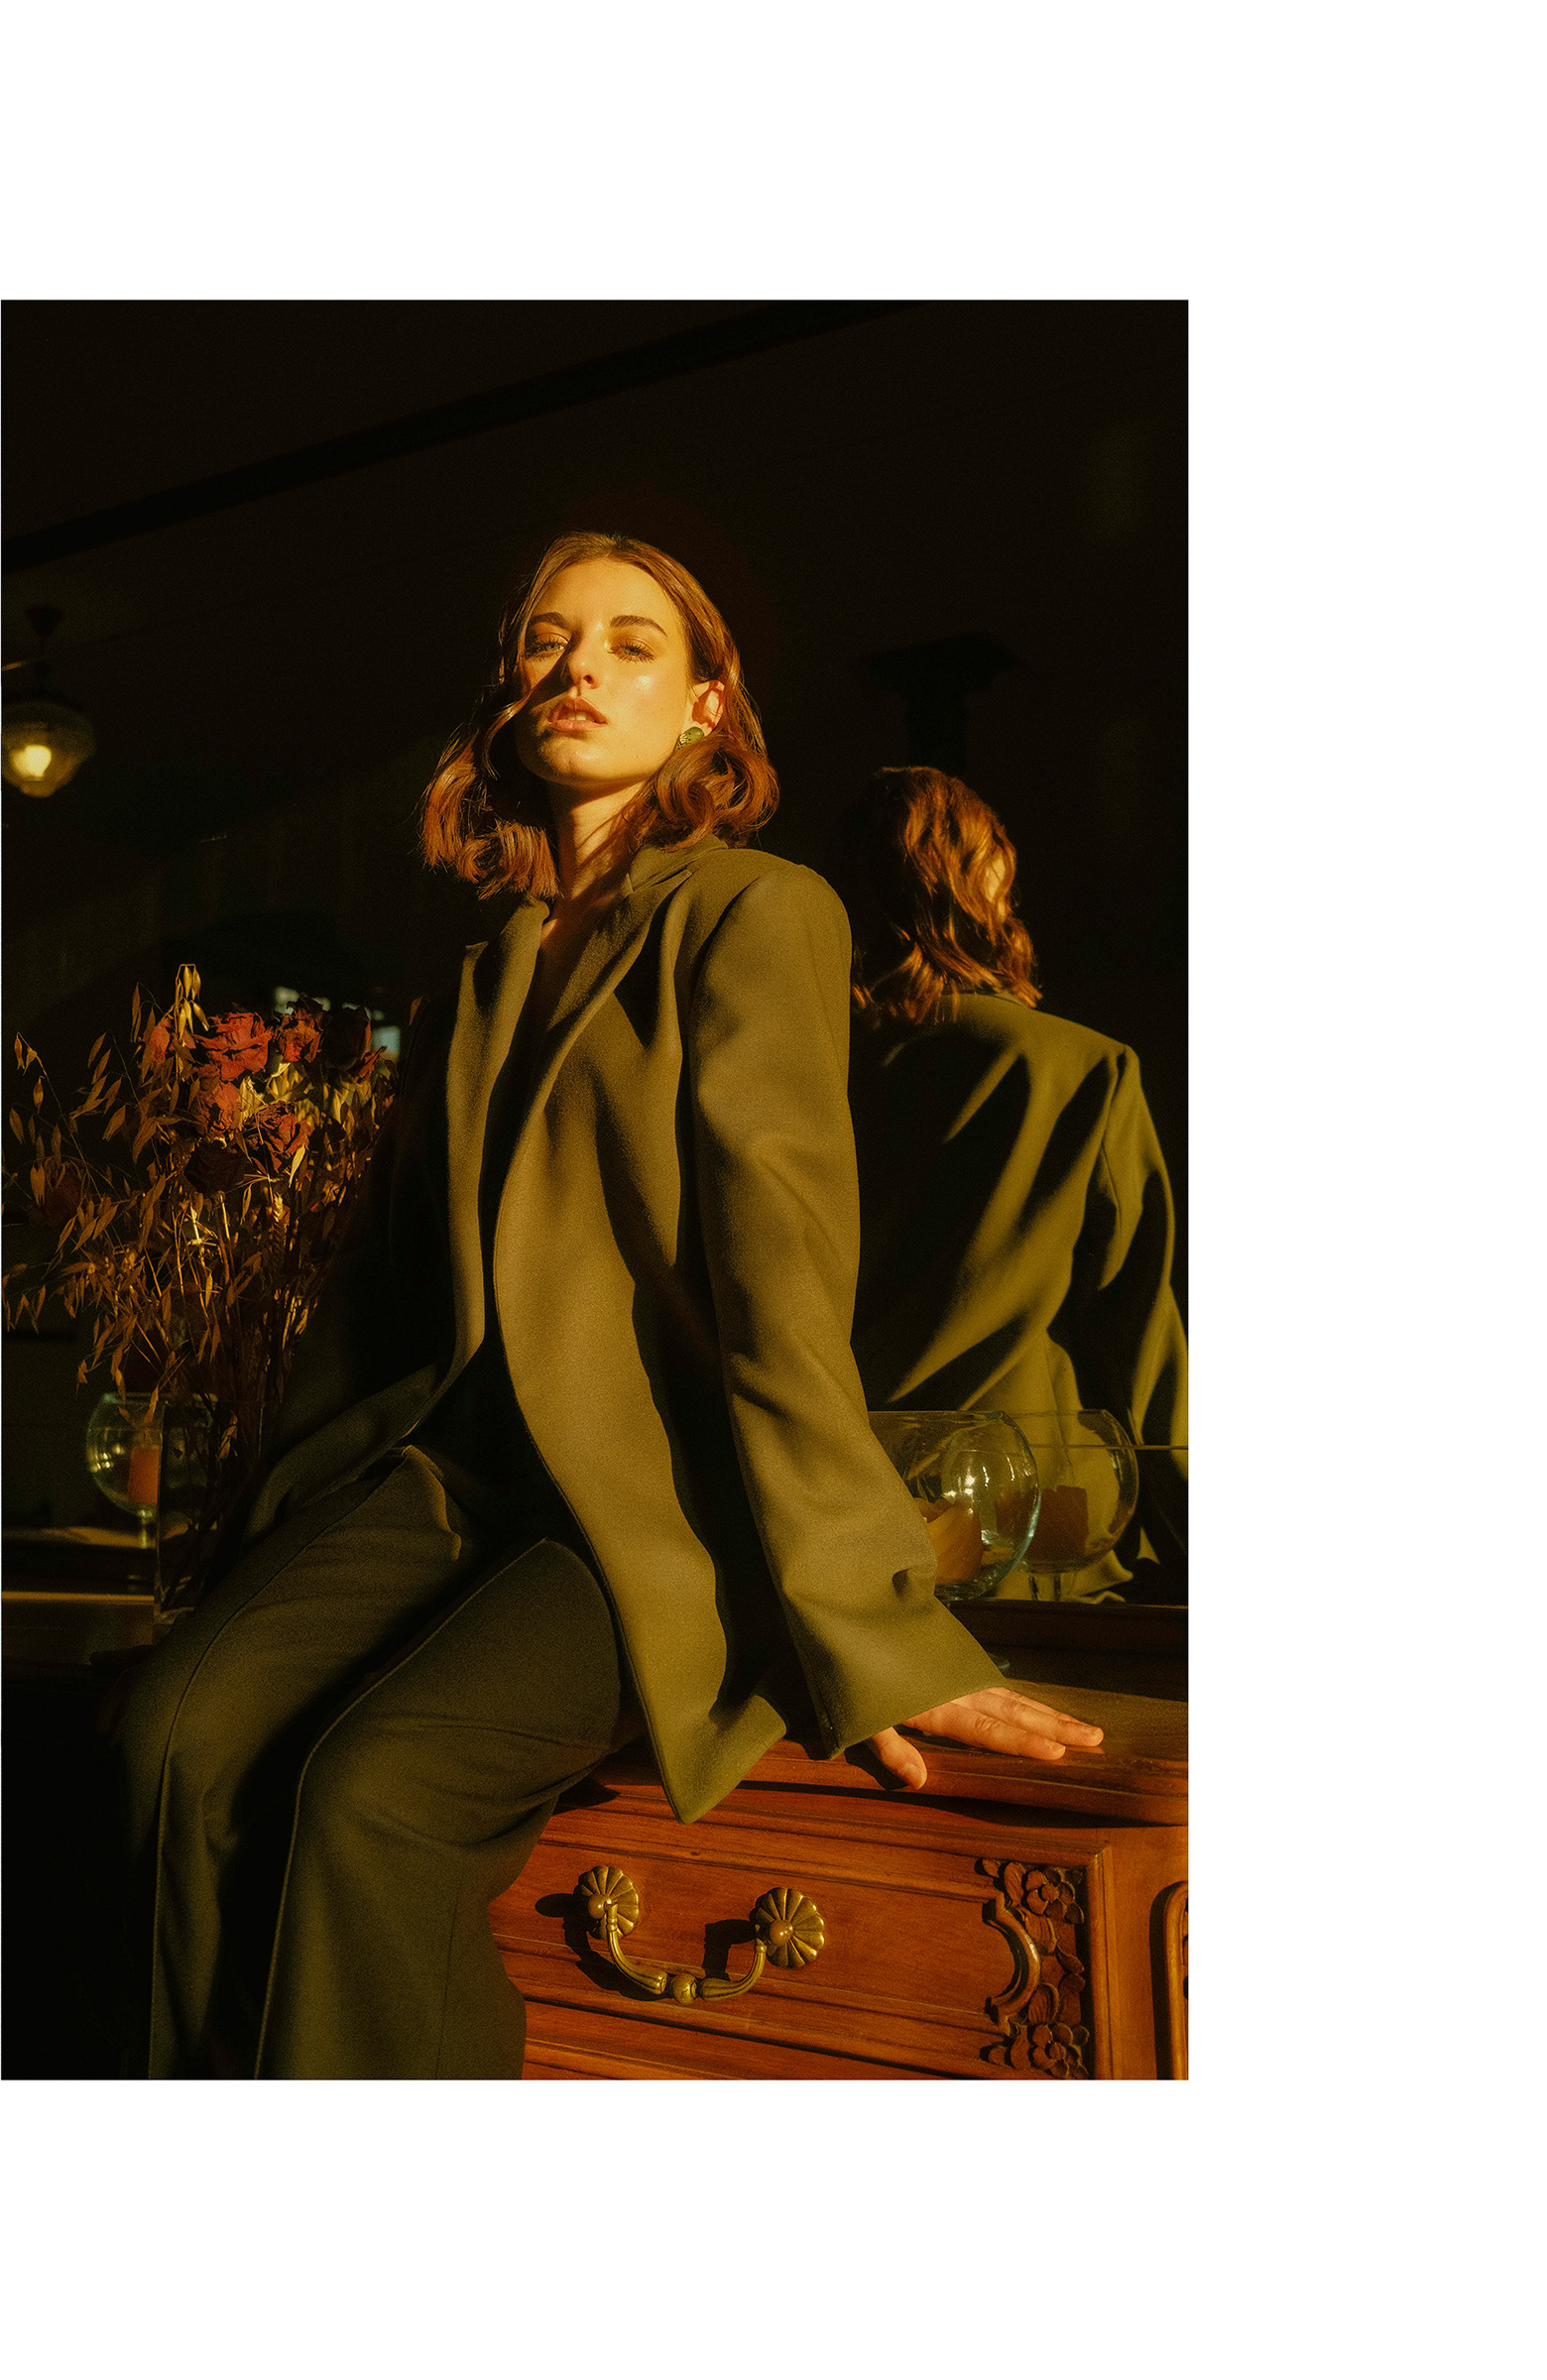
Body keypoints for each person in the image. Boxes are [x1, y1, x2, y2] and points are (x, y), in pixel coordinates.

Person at [113, 536, 1101, 2080]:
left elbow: (778, 1274)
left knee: (374, 1789)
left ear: (707, 707)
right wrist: (270, 1545)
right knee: (167, 1739)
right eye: (546, 640)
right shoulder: (479, 973)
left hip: (663, 1505)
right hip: (447, 1480)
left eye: (633, 644)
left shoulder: (759, 911)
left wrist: (871, 1622)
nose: (580, 666)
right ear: (507, 700)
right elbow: (380, 1308)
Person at [825, 767, 1188, 1599]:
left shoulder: (784, 1072)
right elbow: (1137, 1341)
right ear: (976, 884)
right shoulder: (1077, 1069)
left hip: (833, 1518)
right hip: (1030, 1529)